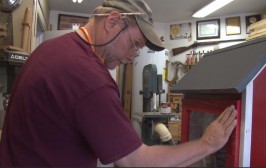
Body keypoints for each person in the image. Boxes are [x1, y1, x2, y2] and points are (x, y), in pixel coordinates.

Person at [0, 0, 237, 167]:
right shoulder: (87, 76)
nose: (133, 55)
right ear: (113, 21)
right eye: (134, 43)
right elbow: (136, 162)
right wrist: (208, 143)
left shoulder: (51, 49)